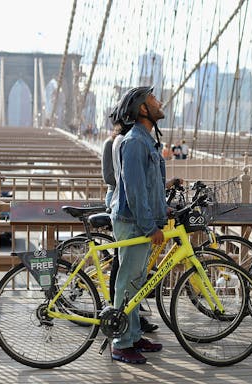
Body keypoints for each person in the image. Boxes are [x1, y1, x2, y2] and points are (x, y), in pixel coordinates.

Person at [108, 86, 167, 364]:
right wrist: (149, 226)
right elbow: (134, 191)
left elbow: (150, 186)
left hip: (141, 223)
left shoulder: (146, 140)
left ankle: (132, 335)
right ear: (143, 109)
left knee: (136, 284)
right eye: (154, 100)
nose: (160, 102)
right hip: (133, 223)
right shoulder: (134, 142)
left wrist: (162, 215)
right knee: (127, 285)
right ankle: (120, 343)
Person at [103, 108, 159, 334]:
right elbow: (128, 185)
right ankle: (122, 335)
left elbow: (142, 183)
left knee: (134, 279)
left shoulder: (134, 140)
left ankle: (132, 331)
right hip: (126, 210)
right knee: (126, 276)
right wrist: (149, 225)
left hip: (132, 210)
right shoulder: (127, 142)